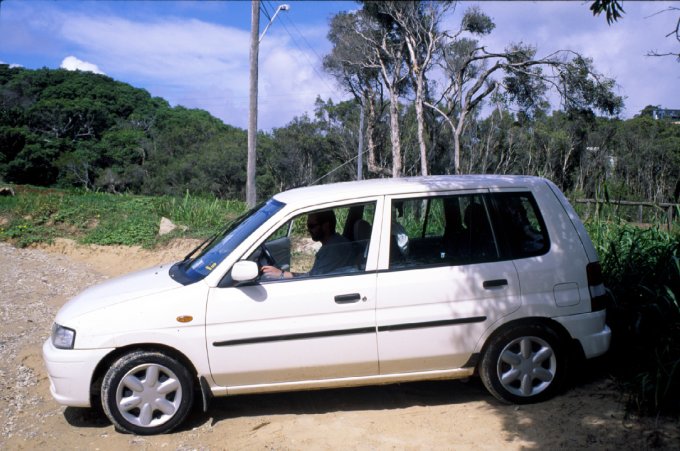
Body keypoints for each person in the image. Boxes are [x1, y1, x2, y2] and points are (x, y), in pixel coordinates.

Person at [261, 210, 355, 279]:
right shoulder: (333, 243)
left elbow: (312, 278)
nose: (308, 230)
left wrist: (281, 274)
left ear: (326, 225)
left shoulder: (335, 250)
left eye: (312, 226)